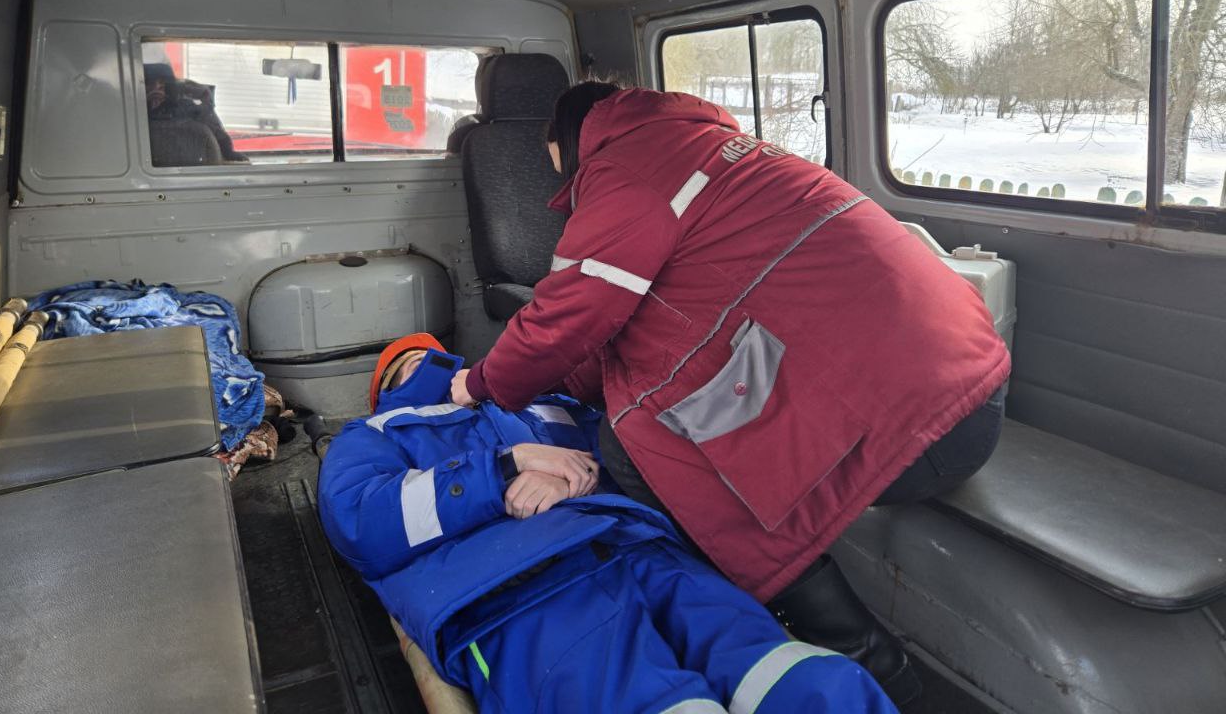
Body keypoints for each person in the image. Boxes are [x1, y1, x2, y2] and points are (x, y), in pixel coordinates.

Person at [449, 82, 1012, 705]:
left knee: (645, 452)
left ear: (570, 141)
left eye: (556, 161)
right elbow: (625, 324)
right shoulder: (713, 146)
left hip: (920, 426)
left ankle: (860, 654)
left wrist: (479, 383)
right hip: (971, 380)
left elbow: (573, 313)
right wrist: (571, 380)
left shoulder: (625, 169)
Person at [317, 334, 898, 714]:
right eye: (402, 365)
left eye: (431, 353)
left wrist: (579, 472)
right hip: (513, 589)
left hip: (636, 545)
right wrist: (504, 466)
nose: (420, 362)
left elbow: (628, 447)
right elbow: (359, 521)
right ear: (382, 394)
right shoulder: (376, 434)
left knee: (787, 671)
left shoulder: (538, 403)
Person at [144, 62, 250, 166]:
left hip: (195, 165)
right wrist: (147, 105)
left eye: (162, 84)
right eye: (149, 83)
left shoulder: (188, 107)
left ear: (171, 86)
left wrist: (228, 152)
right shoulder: (136, 114)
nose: (156, 88)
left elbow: (217, 132)